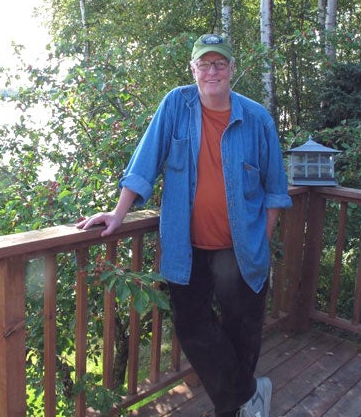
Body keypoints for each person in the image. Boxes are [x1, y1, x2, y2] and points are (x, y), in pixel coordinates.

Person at [77, 33, 292, 417]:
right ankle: (250, 394)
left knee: (242, 329)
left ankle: (235, 409)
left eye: (220, 64)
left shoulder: (257, 118)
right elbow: (145, 161)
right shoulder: (176, 105)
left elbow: (275, 190)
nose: (212, 71)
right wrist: (118, 212)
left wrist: (263, 237)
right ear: (192, 70)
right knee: (193, 328)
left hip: (239, 249)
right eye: (204, 64)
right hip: (186, 246)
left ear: (231, 70)